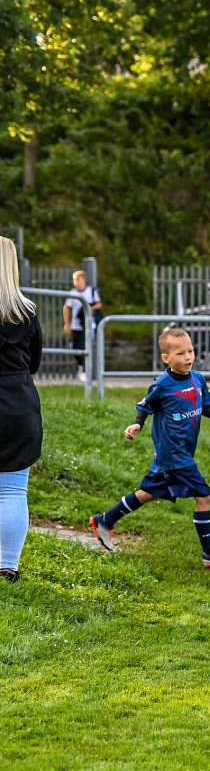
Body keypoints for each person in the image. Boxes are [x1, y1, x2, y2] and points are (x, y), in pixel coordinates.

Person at [88, 328, 210, 568]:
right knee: (204, 495)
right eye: (180, 353)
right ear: (166, 358)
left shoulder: (197, 379)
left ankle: (105, 520)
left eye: (190, 351)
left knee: (151, 492)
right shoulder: (162, 384)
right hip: (173, 453)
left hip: (181, 452)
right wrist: (137, 424)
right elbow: (145, 405)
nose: (188, 357)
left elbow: (206, 406)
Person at [0, 236, 42, 583]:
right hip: (17, 403)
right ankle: (7, 566)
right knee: (13, 490)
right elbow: (35, 362)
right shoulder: (27, 312)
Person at [62, 269, 101, 382]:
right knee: (75, 347)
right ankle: (81, 366)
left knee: (86, 346)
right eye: (74, 280)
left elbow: (99, 304)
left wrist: (87, 309)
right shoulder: (72, 293)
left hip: (89, 326)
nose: (75, 282)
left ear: (83, 280)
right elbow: (67, 308)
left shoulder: (91, 291)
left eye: (77, 280)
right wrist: (67, 323)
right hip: (76, 325)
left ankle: (85, 370)